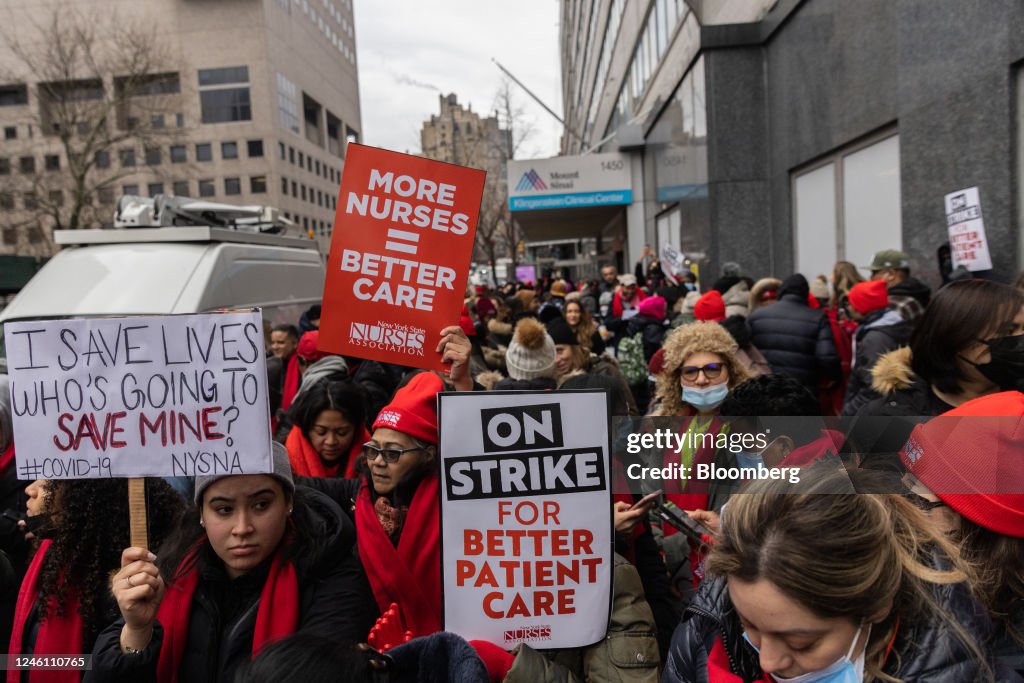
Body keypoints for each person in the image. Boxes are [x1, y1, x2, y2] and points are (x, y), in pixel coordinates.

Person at [663, 465, 1001, 682]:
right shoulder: (706, 626)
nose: (767, 661)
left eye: (801, 642)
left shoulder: (961, 668)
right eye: (747, 625)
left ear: (877, 606)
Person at [89, 443, 374, 682]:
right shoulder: (169, 570)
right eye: (223, 509)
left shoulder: (332, 576)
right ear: (201, 513)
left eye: (261, 505)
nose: (242, 527)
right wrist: (137, 631)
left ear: (288, 501)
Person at [898, 391, 1024, 676]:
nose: (900, 505)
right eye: (902, 480)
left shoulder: (1002, 655)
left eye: (917, 497)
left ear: (973, 526)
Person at [9, 479, 184, 677]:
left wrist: (133, 636)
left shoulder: (134, 588)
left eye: (52, 480)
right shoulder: (52, 556)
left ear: (88, 494)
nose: (30, 489)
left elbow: (99, 668)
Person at [856, 280, 1024, 459]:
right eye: (1007, 330)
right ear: (956, 338)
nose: (1020, 339)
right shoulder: (888, 419)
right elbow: (858, 483)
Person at [746, 273, 841, 394]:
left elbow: (746, 351)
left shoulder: (756, 316)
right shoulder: (818, 318)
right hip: (802, 390)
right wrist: (835, 377)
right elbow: (826, 357)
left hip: (765, 386)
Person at [840, 279, 911, 416]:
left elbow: (872, 388)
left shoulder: (875, 340)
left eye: (851, 303)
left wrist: (849, 413)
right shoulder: (888, 326)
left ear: (861, 307)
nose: (847, 307)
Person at [284, 379, 370, 479]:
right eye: (321, 432)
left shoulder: (372, 461)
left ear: (356, 429)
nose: (331, 441)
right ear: (306, 429)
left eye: (342, 432)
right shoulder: (286, 464)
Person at [864, 249, 931, 326]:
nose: (871, 278)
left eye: (874, 273)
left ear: (891, 274)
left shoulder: (895, 305)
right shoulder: (921, 295)